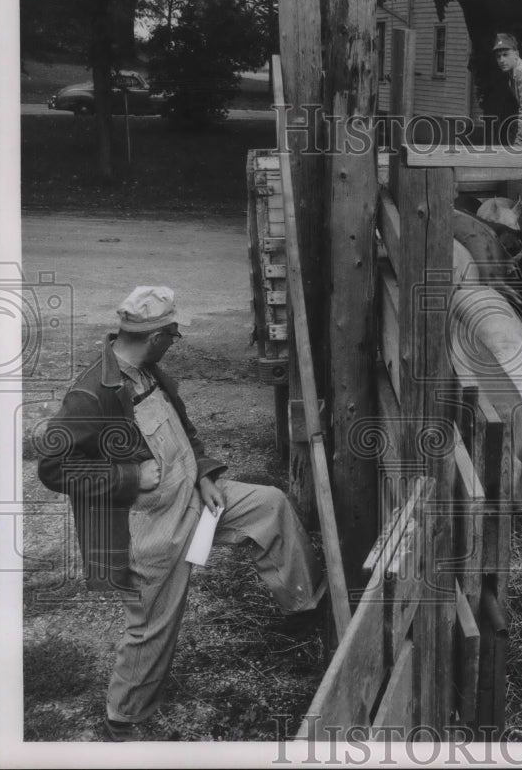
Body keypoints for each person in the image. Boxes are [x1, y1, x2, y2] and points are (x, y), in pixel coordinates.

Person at [37, 286, 325, 741]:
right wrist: (129, 478)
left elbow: (183, 430)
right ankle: (123, 717)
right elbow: (54, 468)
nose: (175, 339)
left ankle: (306, 607)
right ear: (153, 336)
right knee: (152, 625)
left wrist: (206, 474)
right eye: (173, 332)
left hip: (193, 497)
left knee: (269, 505)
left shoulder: (150, 371)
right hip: (149, 527)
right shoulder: (91, 394)